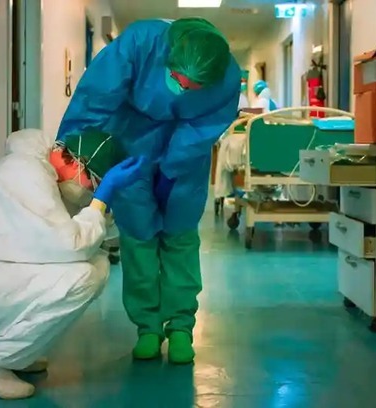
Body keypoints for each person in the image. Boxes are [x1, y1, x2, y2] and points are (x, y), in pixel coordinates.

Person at [56, 17, 240, 364]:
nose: (182, 90)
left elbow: (202, 129)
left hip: (186, 153)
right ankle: (148, 328)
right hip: (129, 139)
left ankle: (181, 326)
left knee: (180, 234)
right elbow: (96, 96)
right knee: (138, 235)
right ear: (169, 58)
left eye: (194, 87)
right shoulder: (142, 42)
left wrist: (171, 170)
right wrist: (73, 151)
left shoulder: (227, 76)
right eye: (177, 79)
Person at [0, 128, 145, 400]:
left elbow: (76, 235)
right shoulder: (25, 175)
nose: (91, 192)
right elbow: (71, 245)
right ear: (77, 162)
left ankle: (15, 352)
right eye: (94, 183)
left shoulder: (42, 173)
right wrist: (100, 203)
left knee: (95, 263)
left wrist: (103, 205)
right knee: (82, 277)